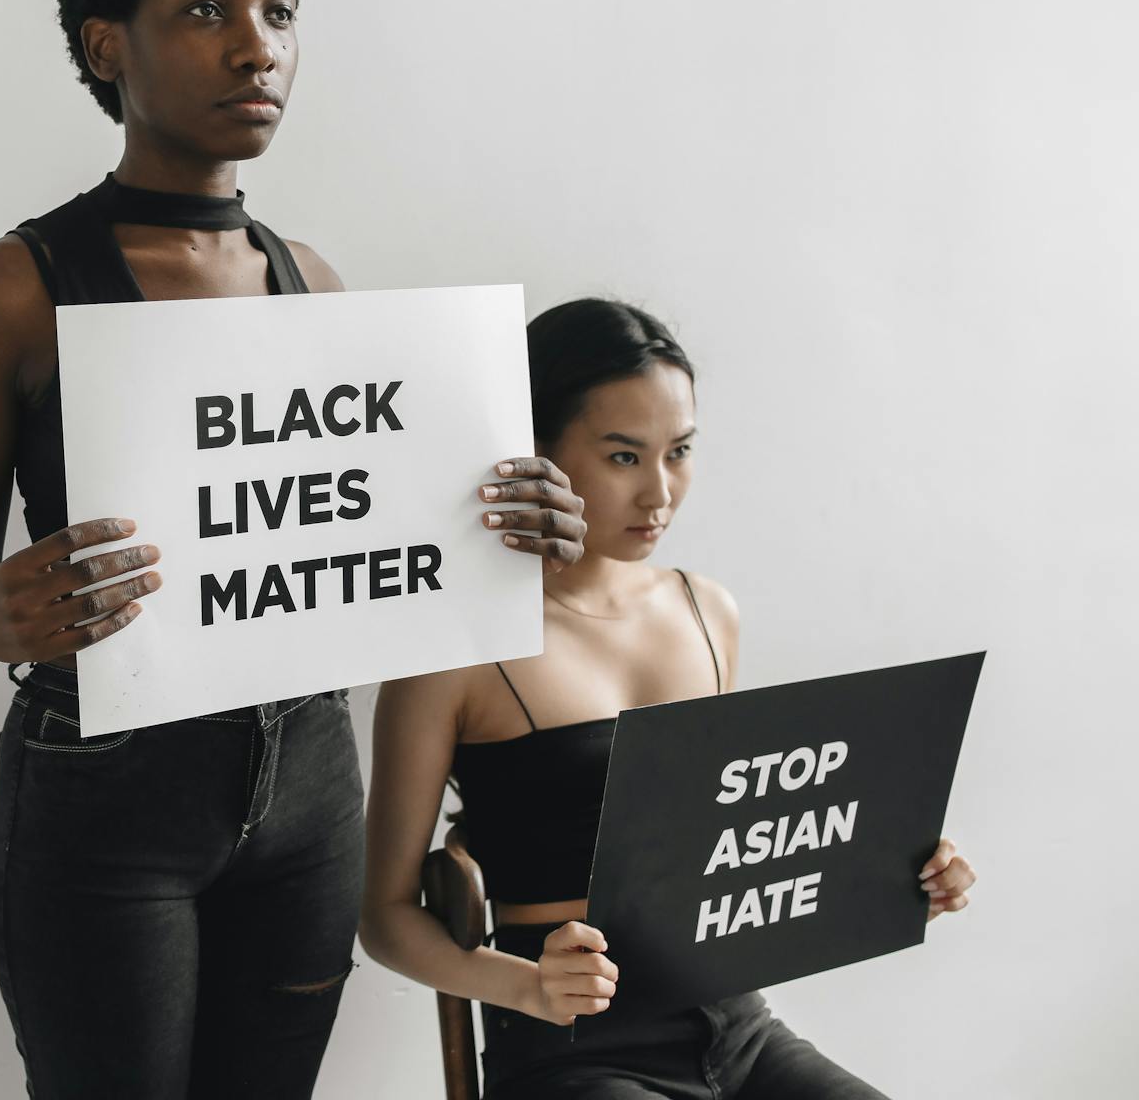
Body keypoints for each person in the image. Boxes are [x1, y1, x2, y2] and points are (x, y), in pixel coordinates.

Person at [0, 0, 584, 1099]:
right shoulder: (10, 290)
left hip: (312, 785)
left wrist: (519, 522)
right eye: (205, 10)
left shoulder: (314, 282)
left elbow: (372, 543)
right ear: (107, 45)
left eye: (278, 13)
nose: (256, 48)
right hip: (107, 793)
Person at [359, 298, 976, 1098]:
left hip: (738, 1027)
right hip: (575, 1052)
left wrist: (896, 878)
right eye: (622, 457)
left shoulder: (706, 610)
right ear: (535, 448)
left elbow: (737, 839)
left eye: (678, 451)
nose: (660, 494)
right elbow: (385, 915)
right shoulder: (457, 651)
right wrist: (523, 986)